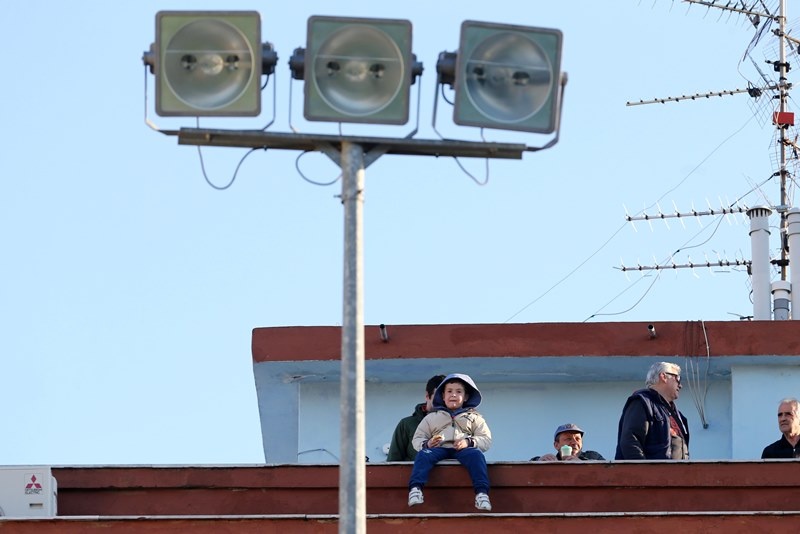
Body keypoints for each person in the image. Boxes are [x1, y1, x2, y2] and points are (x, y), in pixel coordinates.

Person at [407, 373, 493, 511]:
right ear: (442, 396)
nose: (453, 394)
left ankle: (481, 494)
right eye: (449, 391)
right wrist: (428, 444)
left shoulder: (474, 418)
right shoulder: (431, 417)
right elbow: (418, 437)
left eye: (459, 391)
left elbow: (485, 438)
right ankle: (415, 489)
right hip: (438, 448)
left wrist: (468, 442)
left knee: (476, 455)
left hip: (463, 450)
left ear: (466, 397)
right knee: (424, 454)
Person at [615, 361, 690, 460]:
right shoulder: (642, 402)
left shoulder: (677, 415)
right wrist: (643, 469)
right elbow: (631, 441)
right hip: (652, 470)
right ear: (663, 376)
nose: (680, 385)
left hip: (677, 470)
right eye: (678, 379)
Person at [387, 374, 446, 461]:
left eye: (446, 397)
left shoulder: (458, 423)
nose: (443, 401)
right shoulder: (406, 424)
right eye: (438, 397)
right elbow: (393, 462)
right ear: (427, 396)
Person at [531, 423, 606, 461]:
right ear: (556, 445)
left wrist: (582, 464)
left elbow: (608, 471)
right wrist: (539, 462)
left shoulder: (593, 456)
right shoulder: (551, 461)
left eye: (578, 439)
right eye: (568, 439)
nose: (574, 442)